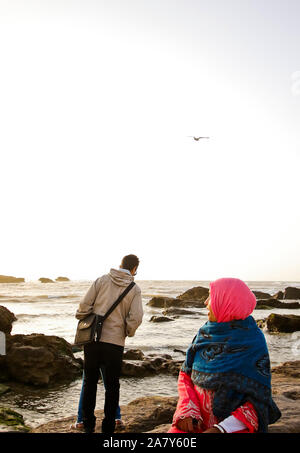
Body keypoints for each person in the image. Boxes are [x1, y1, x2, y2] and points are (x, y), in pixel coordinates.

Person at [168, 278, 281, 433]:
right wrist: (187, 410)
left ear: (227, 301)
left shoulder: (253, 341)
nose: (205, 302)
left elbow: (259, 400)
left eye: (211, 296)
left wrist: (221, 429)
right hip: (195, 422)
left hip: (232, 428)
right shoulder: (204, 334)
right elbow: (185, 374)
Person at [75, 254, 143, 433]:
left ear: (120, 264)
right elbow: (136, 317)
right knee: (112, 386)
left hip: (93, 340)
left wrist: (85, 317)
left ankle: (88, 424)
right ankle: (108, 427)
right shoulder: (134, 288)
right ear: (134, 269)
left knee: (89, 382)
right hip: (115, 343)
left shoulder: (102, 280)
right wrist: (126, 331)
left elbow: (84, 304)